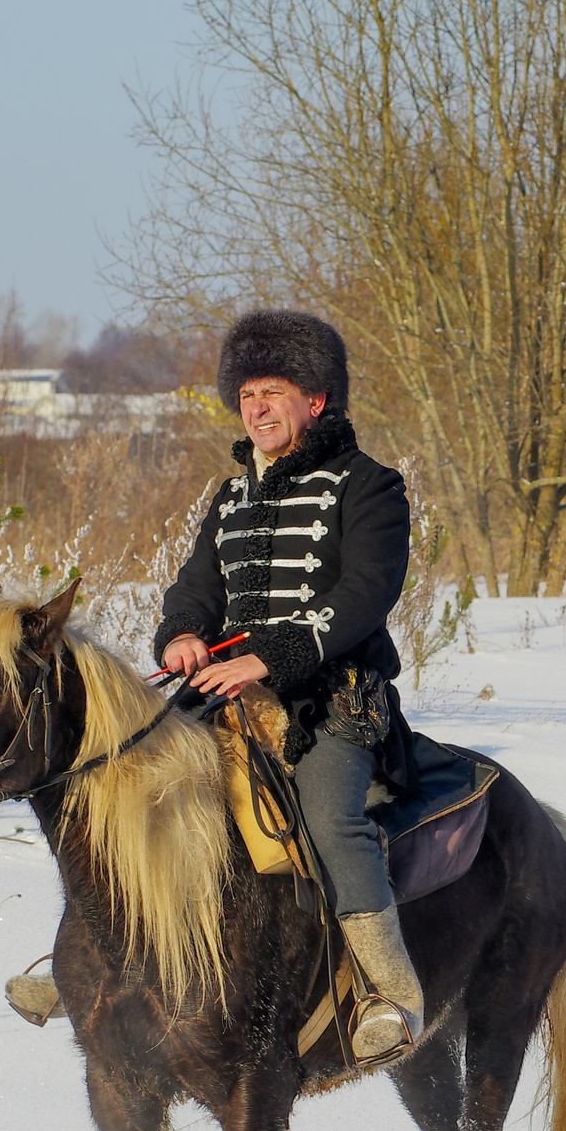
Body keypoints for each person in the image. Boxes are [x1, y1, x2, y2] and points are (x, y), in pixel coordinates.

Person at [151, 309, 424, 1062]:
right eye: (245, 394)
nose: (256, 407)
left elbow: (367, 590)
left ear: (317, 400)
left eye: (272, 390)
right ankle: (106, 963)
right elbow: (197, 587)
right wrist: (180, 634)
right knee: (140, 785)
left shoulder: (369, 486)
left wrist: (268, 655)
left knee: (329, 816)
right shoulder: (230, 498)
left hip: (331, 701)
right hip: (227, 697)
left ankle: (392, 995)